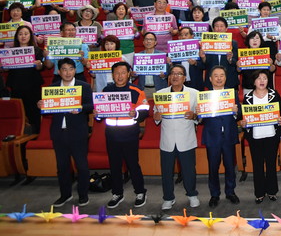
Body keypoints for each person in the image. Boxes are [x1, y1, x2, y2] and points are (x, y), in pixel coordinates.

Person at [38, 58, 92, 207]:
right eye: (64, 69)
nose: (68, 73)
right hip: (58, 132)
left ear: (75, 70)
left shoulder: (84, 86)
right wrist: (41, 104)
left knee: (82, 166)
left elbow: (91, 105)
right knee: (62, 166)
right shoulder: (52, 88)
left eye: (71, 69)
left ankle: (83, 195)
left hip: (77, 132)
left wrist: (81, 108)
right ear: (59, 71)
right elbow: (48, 109)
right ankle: (65, 195)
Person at [102, 61, 149, 208]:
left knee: (132, 164)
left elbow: (145, 111)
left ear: (129, 74)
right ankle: (117, 193)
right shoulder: (106, 90)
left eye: (123, 72)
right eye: (117, 73)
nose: (120, 76)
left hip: (129, 133)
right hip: (111, 134)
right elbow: (100, 113)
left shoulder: (136, 91)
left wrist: (136, 114)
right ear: (112, 75)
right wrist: (97, 114)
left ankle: (140, 192)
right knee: (114, 165)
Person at [153, 64, 200, 210]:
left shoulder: (194, 93)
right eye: (172, 73)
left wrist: (194, 116)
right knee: (166, 171)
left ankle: (192, 195)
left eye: (179, 74)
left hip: (186, 138)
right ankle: (168, 198)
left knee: (189, 170)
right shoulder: (161, 93)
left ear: (184, 78)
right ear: (169, 77)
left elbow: (200, 115)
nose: (175, 76)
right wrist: (156, 116)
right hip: (167, 139)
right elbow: (155, 115)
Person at [243, 69, 281, 204]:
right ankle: (259, 193)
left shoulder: (274, 95)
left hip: (271, 135)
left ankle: (272, 191)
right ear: (254, 81)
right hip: (255, 137)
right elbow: (243, 118)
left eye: (265, 78)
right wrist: (243, 123)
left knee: (271, 164)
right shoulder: (248, 97)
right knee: (257, 165)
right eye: (259, 78)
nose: (262, 81)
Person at [200, 66, 240, 208]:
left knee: (230, 166)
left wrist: (236, 111)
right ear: (210, 79)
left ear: (225, 78)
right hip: (212, 137)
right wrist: (199, 113)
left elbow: (239, 115)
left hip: (228, 135)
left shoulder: (232, 94)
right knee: (213, 167)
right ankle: (214, 194)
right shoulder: (204, 96)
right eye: (216, 76)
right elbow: (200, 120)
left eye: (222, 75)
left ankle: (230, 191)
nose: (219, 78)